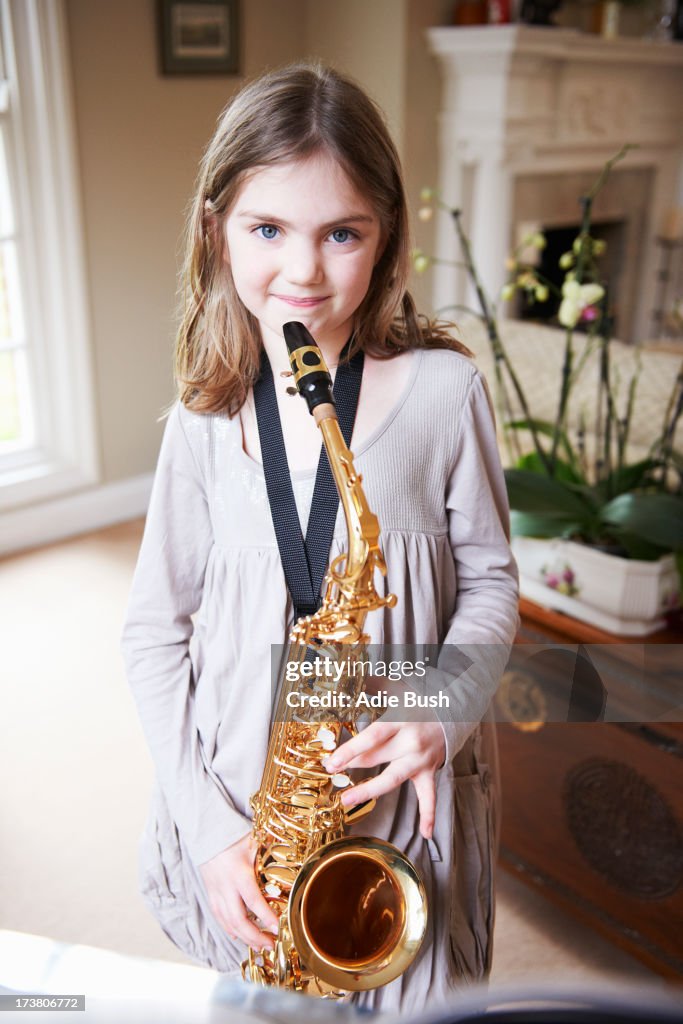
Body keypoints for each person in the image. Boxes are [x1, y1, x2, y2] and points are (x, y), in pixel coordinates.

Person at [121, 62, 518, 1014]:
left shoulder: (442, 395)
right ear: (215, 229)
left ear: (384, 242)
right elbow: (150, 634)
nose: (302, 272)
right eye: (268, 229)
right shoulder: (205, 420)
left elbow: (493, 585)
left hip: (399, 792)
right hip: (246, 809)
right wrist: (213, 830)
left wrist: (437, 711)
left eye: (341, 233)